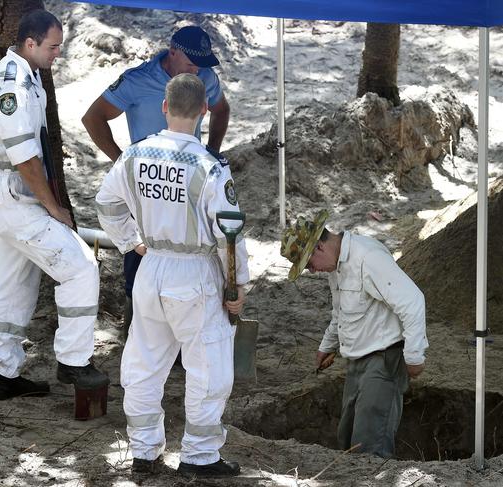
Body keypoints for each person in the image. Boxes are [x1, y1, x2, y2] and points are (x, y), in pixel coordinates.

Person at [95, 73, 248, 477]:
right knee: (208, 365)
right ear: (203, 111)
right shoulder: (209, 167)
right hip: (194, 273)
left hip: (152, 268)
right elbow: (229, 234)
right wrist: (236, 287)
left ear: (164, 107)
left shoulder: (135, 155)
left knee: (144, 362)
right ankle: (199, 455)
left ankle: (144, 451)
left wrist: (131, 242)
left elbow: (106, 203)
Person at [0, 9, 109, 400]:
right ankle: (74, 361)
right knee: (81, 267)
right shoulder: (12, 85)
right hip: (12, 195)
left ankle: (3, 373)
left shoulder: (30, 76)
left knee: (15, 284)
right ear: (30, 43)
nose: (57, 54)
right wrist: (54, 207)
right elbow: (26, 160)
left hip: (12, 194)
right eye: (53, 47)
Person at [82, 25, 231, 336]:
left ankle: (181, 327)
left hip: (189, 177)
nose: (196, 70)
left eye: (201, 65)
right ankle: (133, 319)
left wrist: (212, 152)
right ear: (172, 51)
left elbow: (221, 109)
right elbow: (92, 117)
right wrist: (122, 161)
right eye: (191, 63)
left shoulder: (205, 78)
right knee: (140, 248)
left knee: (190, 247)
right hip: (148, 181)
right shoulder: (138, 80)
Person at [281, 210, 428, 458]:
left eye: (309, 264)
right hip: (357, 362)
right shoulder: (336, 266)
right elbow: (341, 311)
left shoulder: (368, 258)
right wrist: (327, 345)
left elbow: (412, 301)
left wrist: (414, 356)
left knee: (370, 445)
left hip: (384, 360)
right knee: (347, 436)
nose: (312, 271)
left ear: (319, 248)